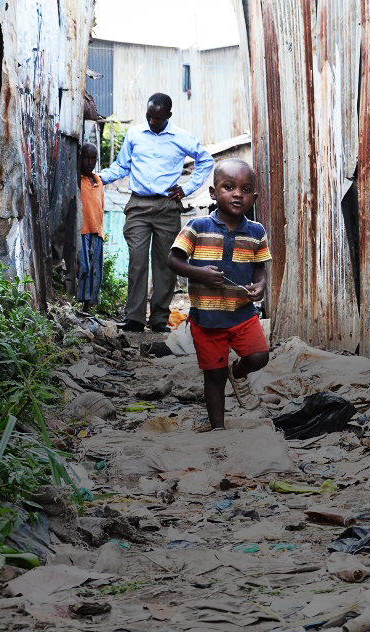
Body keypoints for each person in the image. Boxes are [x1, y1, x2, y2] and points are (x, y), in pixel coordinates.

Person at [167, 159, 270, 431]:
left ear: (254, 197)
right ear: (213, 193)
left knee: (259, 356)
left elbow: (260, 268)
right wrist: (199, 273)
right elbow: (173, 260)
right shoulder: (197, 227)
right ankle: (218, 426)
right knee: (213, 376)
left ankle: (236, 373)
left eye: (246, 189)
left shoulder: (256, 231)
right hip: (208, 318)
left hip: (242, 314)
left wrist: (260, 286)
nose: (238, 194)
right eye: (229, 187)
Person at [99, 93, 215, 333]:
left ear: (168, 116)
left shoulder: (181, 138)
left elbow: (206, 161)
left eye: (157, 118)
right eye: (149, 116)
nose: (152, 122)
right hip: (138, 206)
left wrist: (186, 188)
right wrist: (98, 178)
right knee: (137, 261)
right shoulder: (134, 135)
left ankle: (160, 319)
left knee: (166, 263)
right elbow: (122, 166)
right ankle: (134, 318)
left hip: (167, 207)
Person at [76, 143, 104, 314]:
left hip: (97, 231)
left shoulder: (99, 182)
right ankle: (81, 302)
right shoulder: (77, 180)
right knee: (84, 268)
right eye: (86, 158)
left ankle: (88, 307)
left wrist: (101, 230)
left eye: (93, 158)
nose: (89, 162)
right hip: (82, 230)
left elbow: (100, 206)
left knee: (95, 271)